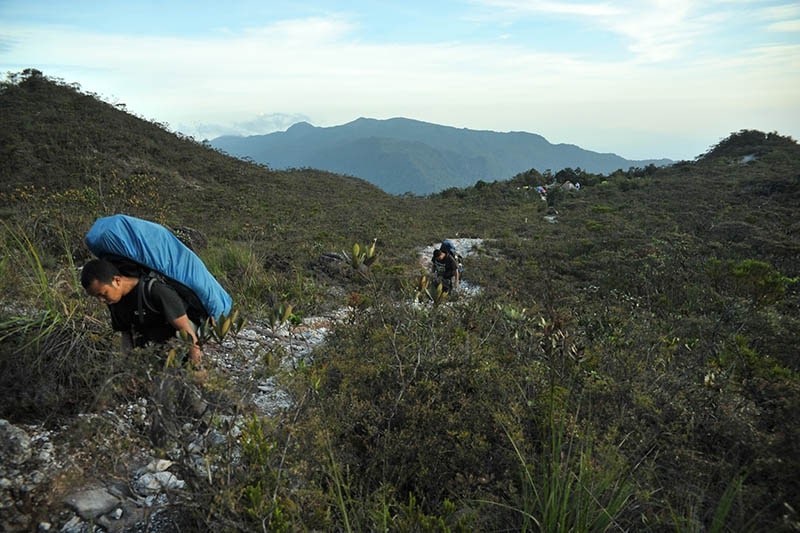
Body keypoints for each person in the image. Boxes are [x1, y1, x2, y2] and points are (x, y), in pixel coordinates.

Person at [81, 258, 203, 366]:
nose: (101, 300)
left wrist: (195, 368)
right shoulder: (114, 302)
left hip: (176, 354)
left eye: (103, 294)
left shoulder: (156, 292)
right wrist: (128, 369)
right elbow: (126, 336)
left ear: (117, 280)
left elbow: (188, 334)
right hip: (150, 357)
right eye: (97, 297)